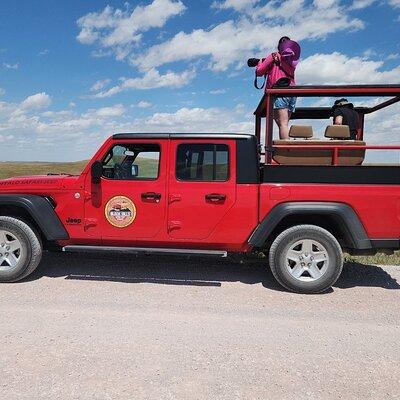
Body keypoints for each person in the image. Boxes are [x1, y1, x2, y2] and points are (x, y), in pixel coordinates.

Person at [256, 36, 301, 139]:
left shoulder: (274, 56)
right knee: (283, 123)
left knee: (283, 124)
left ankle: (286, 150)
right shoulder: (293, 59)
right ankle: (286, 145)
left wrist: (259, 63)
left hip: (280, 91)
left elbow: (259, 72)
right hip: (292, 92)